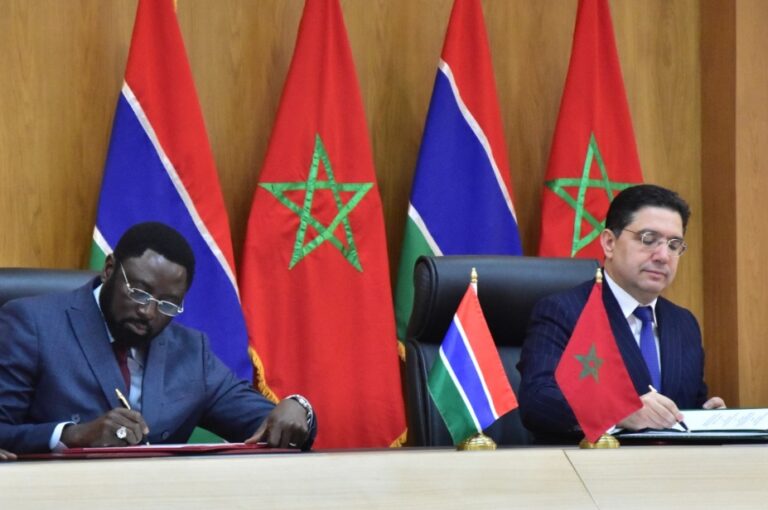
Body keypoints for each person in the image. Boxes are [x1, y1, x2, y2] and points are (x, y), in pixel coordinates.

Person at [0, 222, 315, 454]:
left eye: (167, 304)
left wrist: (297, 408)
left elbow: (268, 422)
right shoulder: (33, 324)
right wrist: (71, 435)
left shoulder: (191, 352)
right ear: (109, 269)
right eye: (139, 292)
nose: (148, 312)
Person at [517, 184, 725, 443]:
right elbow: (538, 401)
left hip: (672, 465)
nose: (663, 256)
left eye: (674, 245)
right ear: (609, 243)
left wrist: (707, 416)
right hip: (596, 464)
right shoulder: (564, 311)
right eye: (648, 239)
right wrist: (619, 412)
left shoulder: (683, 323)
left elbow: (684, 406)